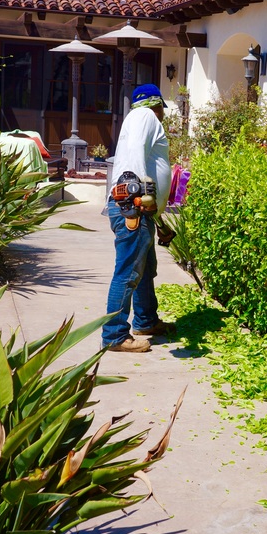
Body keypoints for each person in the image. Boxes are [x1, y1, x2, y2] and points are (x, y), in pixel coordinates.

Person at [102, 84, 173, 353]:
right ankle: (114, 335)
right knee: (128, 272)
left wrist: (156, 217)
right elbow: (135, 154)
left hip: (138, 207)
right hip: (133, 206)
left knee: (144, 269)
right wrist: (138, 196)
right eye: (162, 108)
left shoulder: (135, 118)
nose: (163, 113)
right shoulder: (145, 116)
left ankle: (146, 320)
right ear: (157, 104)